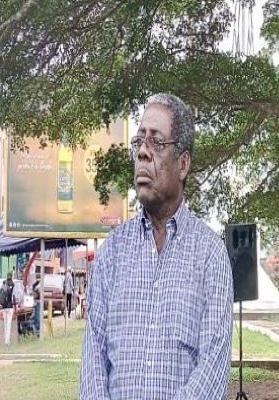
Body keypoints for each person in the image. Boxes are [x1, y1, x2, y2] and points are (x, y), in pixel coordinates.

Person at [80, 93, 234, 399]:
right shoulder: (112, 252)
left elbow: (213, 369)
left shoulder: (210, 255)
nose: (142, 153)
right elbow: (93, 361)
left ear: (183, 164)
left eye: (156, 142)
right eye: (139, 141)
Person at [0, 272, 16, 346]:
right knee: (8, 324)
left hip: (4, 307)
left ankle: (5, 339)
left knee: (5, 323)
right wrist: (15, 307)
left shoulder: (4, 283)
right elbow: (13, 296)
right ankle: (7, 341)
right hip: (10, 307)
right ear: (11, 276)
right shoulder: (13, 284)